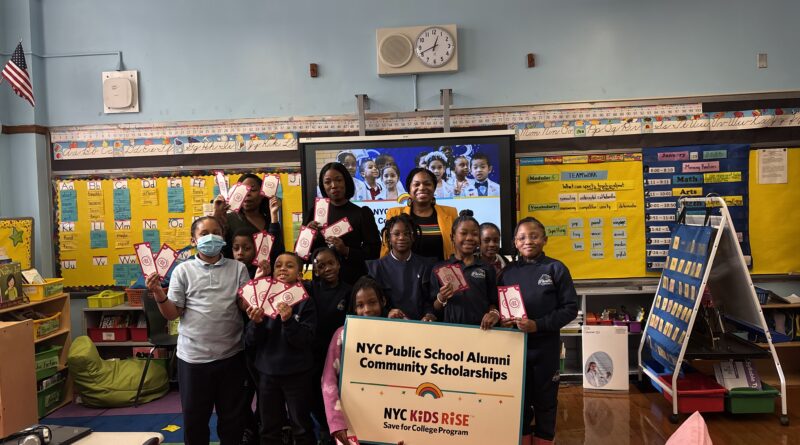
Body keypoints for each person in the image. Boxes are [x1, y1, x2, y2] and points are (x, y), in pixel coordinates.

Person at [146, 216, 249, 445]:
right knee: (195, 421)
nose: (210, 237)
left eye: (216, 232)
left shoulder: (238, 268)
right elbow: (173, 313)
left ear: (223, 237)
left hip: (231, 356)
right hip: (193, 359)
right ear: (193, 239)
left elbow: (244, 305)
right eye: (204, 234)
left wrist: (258, 290)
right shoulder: (183, 271)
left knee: (232, 421)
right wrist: (157, 293)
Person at [499, 217, 578, 445]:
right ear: (514, 242)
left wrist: (538, 325)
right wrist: (504, 320)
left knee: (545, 401)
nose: (528, 241)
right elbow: (501, 306)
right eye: (522, 237)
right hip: (516, 348)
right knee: (519, 401)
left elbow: (570, 309)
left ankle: (544, 438)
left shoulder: (556, 269)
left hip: (546, 348)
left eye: (534, 236)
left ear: (544, 239)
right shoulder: (507, 273)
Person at [321, 277, 406, 445]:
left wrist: (403, 322)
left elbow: (420, 356)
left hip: (395, 423)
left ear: (382, 301)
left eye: (372, 302)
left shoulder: (398, 327)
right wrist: (336, 422)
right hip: (355, 422)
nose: (367, 309)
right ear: (354, 308)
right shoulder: (343, 335)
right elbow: (328, 380)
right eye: (360, 305)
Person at [245, 252, 318, 445]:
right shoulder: (262, 299)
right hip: (268, 375)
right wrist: (257, 323)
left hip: (297, 375)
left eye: (289, 266)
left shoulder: (305, 302)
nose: (283, 269)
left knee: (301, 426)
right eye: (278, 265)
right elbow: (250, 341)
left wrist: (288, 321)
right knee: (269, 428)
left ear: (300, 275)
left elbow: (306, 340)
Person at [306, 162, 381, 285]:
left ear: (346, 182)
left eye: (338, 180)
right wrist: (308, 236)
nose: (334, 185)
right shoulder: (314, 213)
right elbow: (300, 255)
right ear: (323, 186)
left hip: (353, 283)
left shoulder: (361, 214)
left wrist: (346, 250)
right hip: (322, 286)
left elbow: (374, 253)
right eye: (328, 182)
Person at [308, 247, 351, 443]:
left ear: (339, 264)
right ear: (315, 270)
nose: (327, 268)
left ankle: (340, 431)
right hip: (314, 355)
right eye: (321, 265)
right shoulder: (309, 289)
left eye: (331, 263)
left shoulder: (349, 291)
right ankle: (325, 432)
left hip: (339, 357)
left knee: (338, 397)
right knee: (316, 398)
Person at [430, 210, 499, 329]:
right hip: (450, 334)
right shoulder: (439, 268)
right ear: (452, 237)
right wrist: (441, 297)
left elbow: (493, 302)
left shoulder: (487, 268)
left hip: (482, 333)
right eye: (463, 233)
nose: (470, 238)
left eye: (474, 234)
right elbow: (434, 309)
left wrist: (493, 313)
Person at [368, 213, 437, 321]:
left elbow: (428, 301)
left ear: (413, 237)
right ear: (389, 238)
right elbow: (372, 303)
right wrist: (387, 313)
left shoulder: (425, 265)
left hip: (420, 328)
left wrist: (429, 315)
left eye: (407, 233)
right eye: (396, 234)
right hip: (388, 327)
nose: (402, 237)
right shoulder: (375, 268)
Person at [382, 168, 458, 261]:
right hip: (406, 273)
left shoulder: (450, 213)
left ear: (434, 188)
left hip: (442, 272)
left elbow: (457, 248)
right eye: (416, 184)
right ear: (409, 189)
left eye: (427, 184)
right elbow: (386, 249)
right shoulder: (394, 214)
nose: (422, 187)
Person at [214, 173, 285, 265]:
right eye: (243, 191)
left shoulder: (271, 221)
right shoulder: (228, 219)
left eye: (253, 190)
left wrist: (274, 217)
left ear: (262, 194)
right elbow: (218, 251)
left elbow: (278, 252)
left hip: (265, 275)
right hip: (237, 276)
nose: (247, 194)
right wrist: (216, 215)